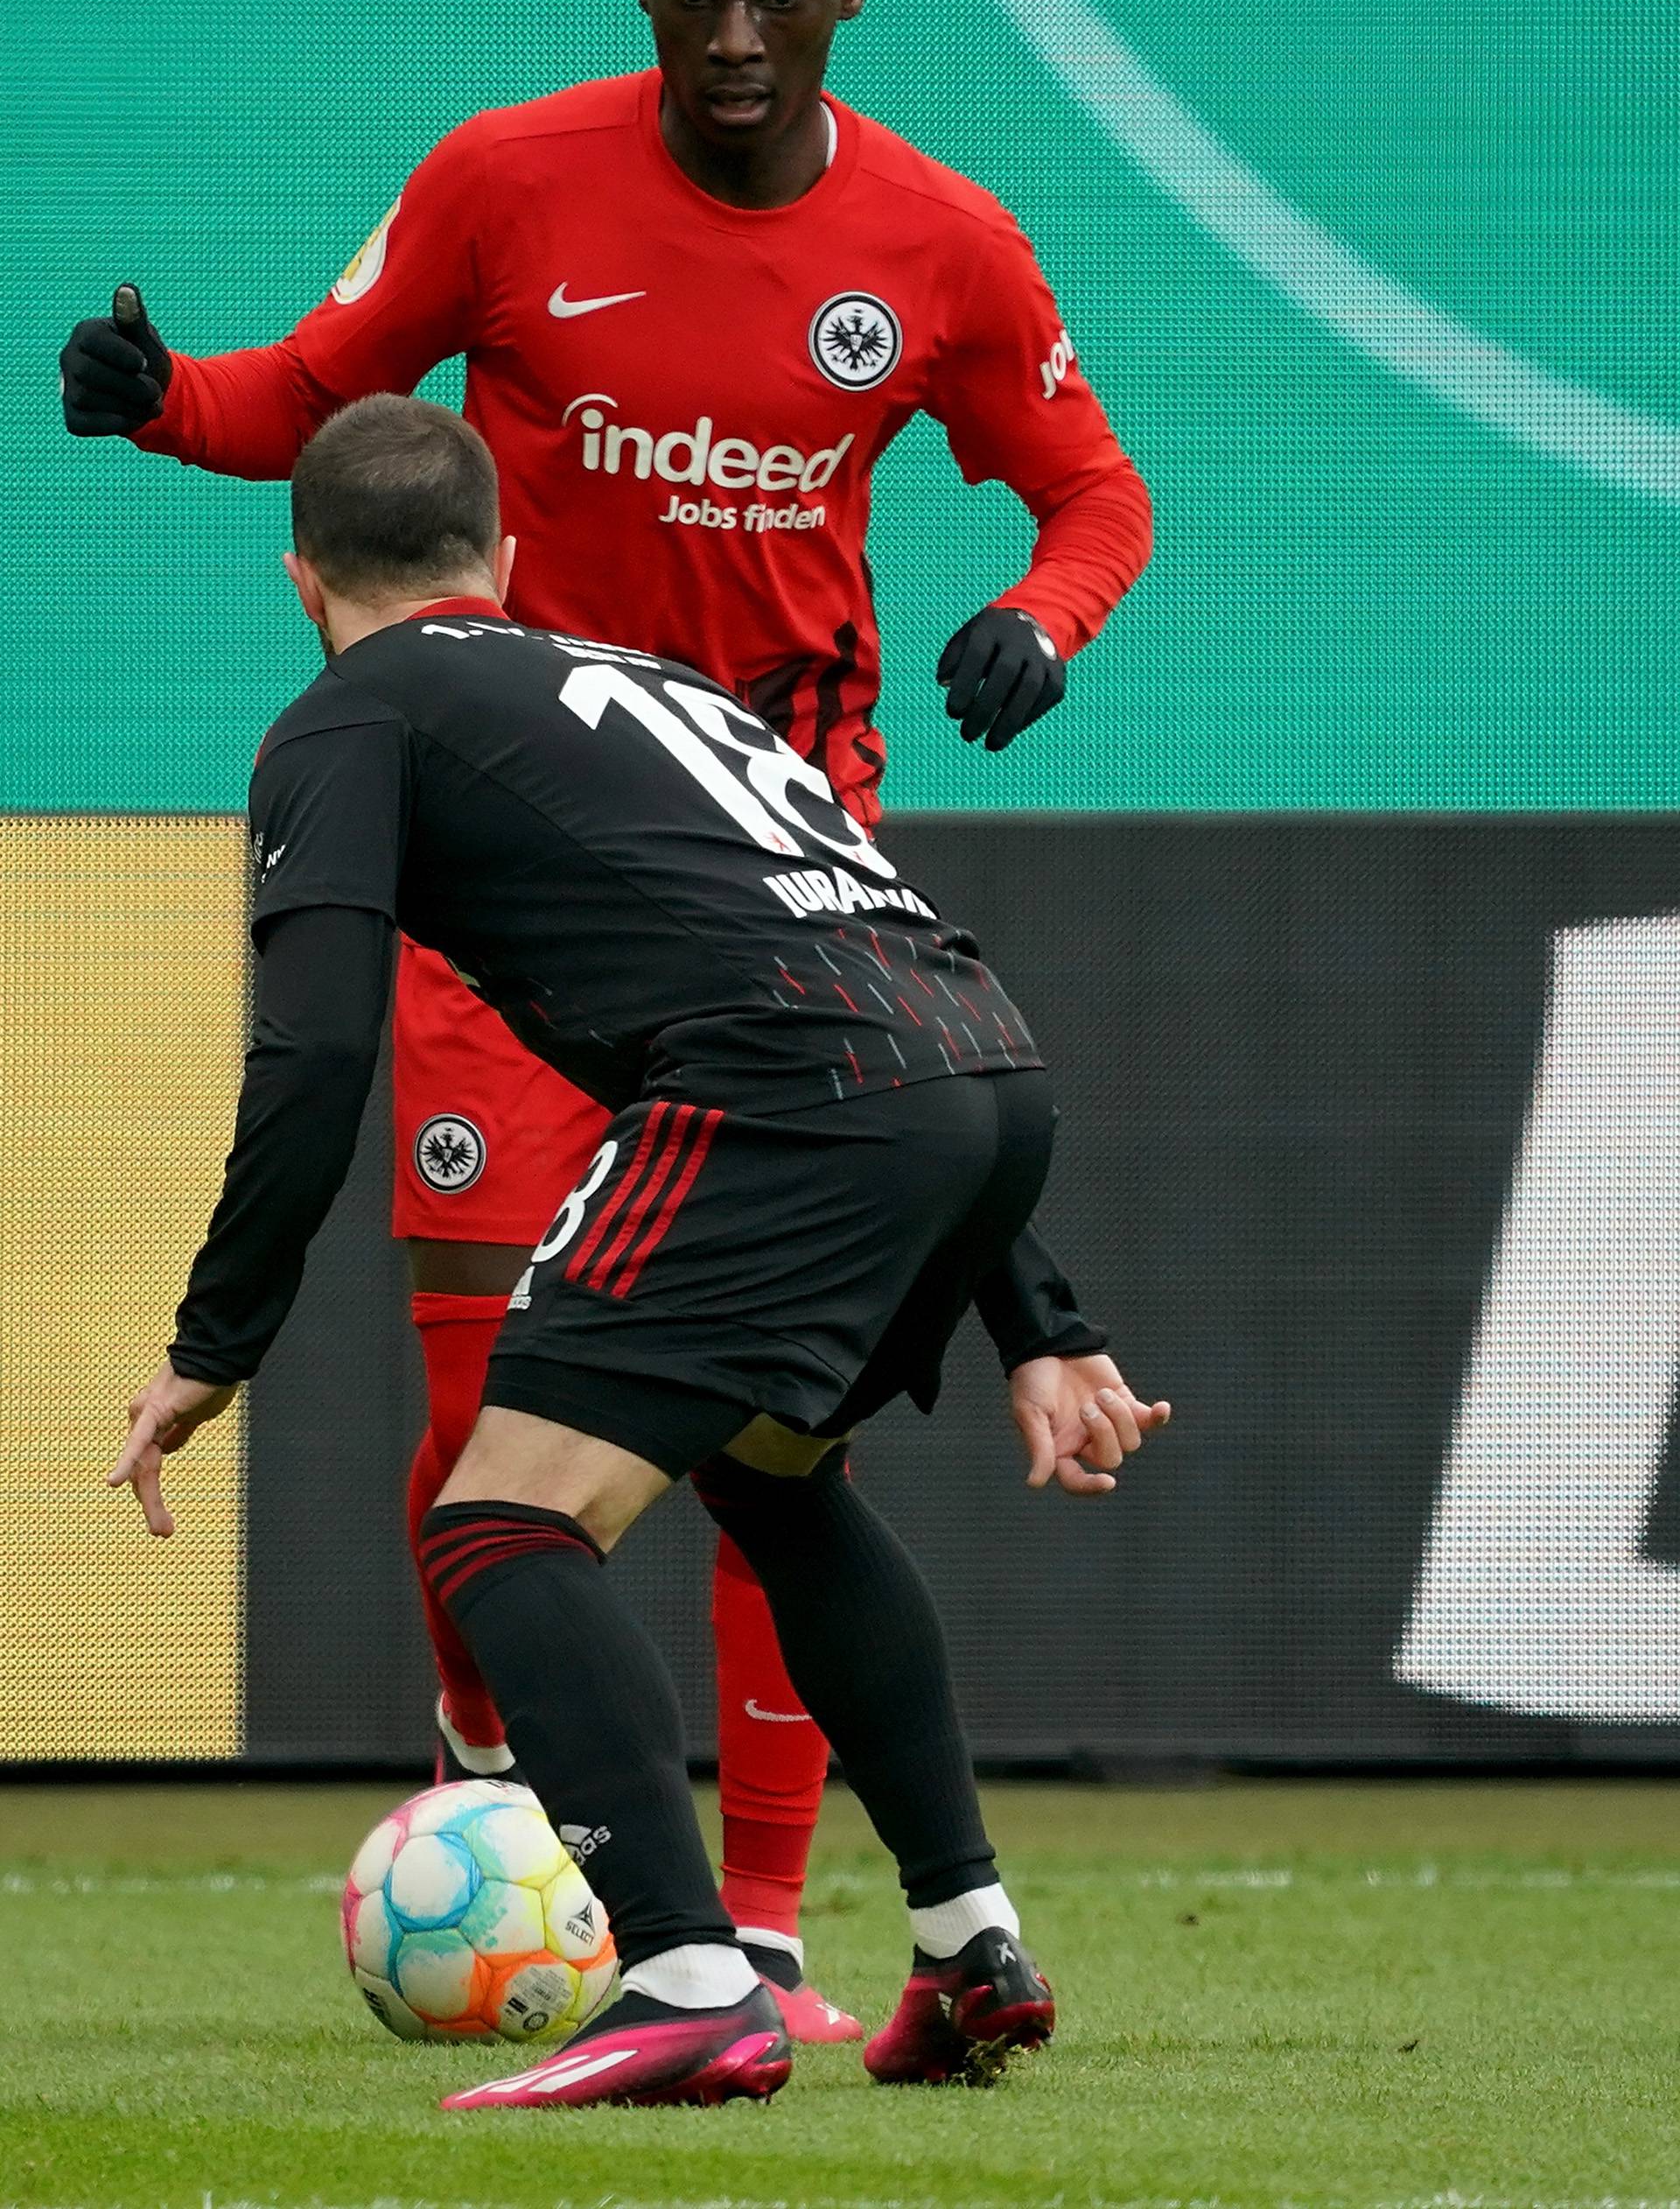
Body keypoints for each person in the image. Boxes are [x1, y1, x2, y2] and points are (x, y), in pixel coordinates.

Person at [60, 0, 1152, 2037]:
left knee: (764, 1436)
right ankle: (511, 1799)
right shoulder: (508, 179)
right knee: (500, 1383)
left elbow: (1092, 487)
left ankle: (747, 1919)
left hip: (773, 875)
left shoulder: (938, 241)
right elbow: (317, 395)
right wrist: (165, 406)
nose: (732, 33)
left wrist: (1045, 619)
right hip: (509, 887)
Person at [108, 391, 1171, 2110]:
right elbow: (877, 960)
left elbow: (312, 1050)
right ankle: (970, 1943)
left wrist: (215, 1342)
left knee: (500, 1524)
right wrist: (1033, 1303)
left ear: (300, 576)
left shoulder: (346, 713)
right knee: (775, 1478)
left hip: (793, 1094)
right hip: (979, 1060)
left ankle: (685, 1977)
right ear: (506, 561)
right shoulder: (659, 685)